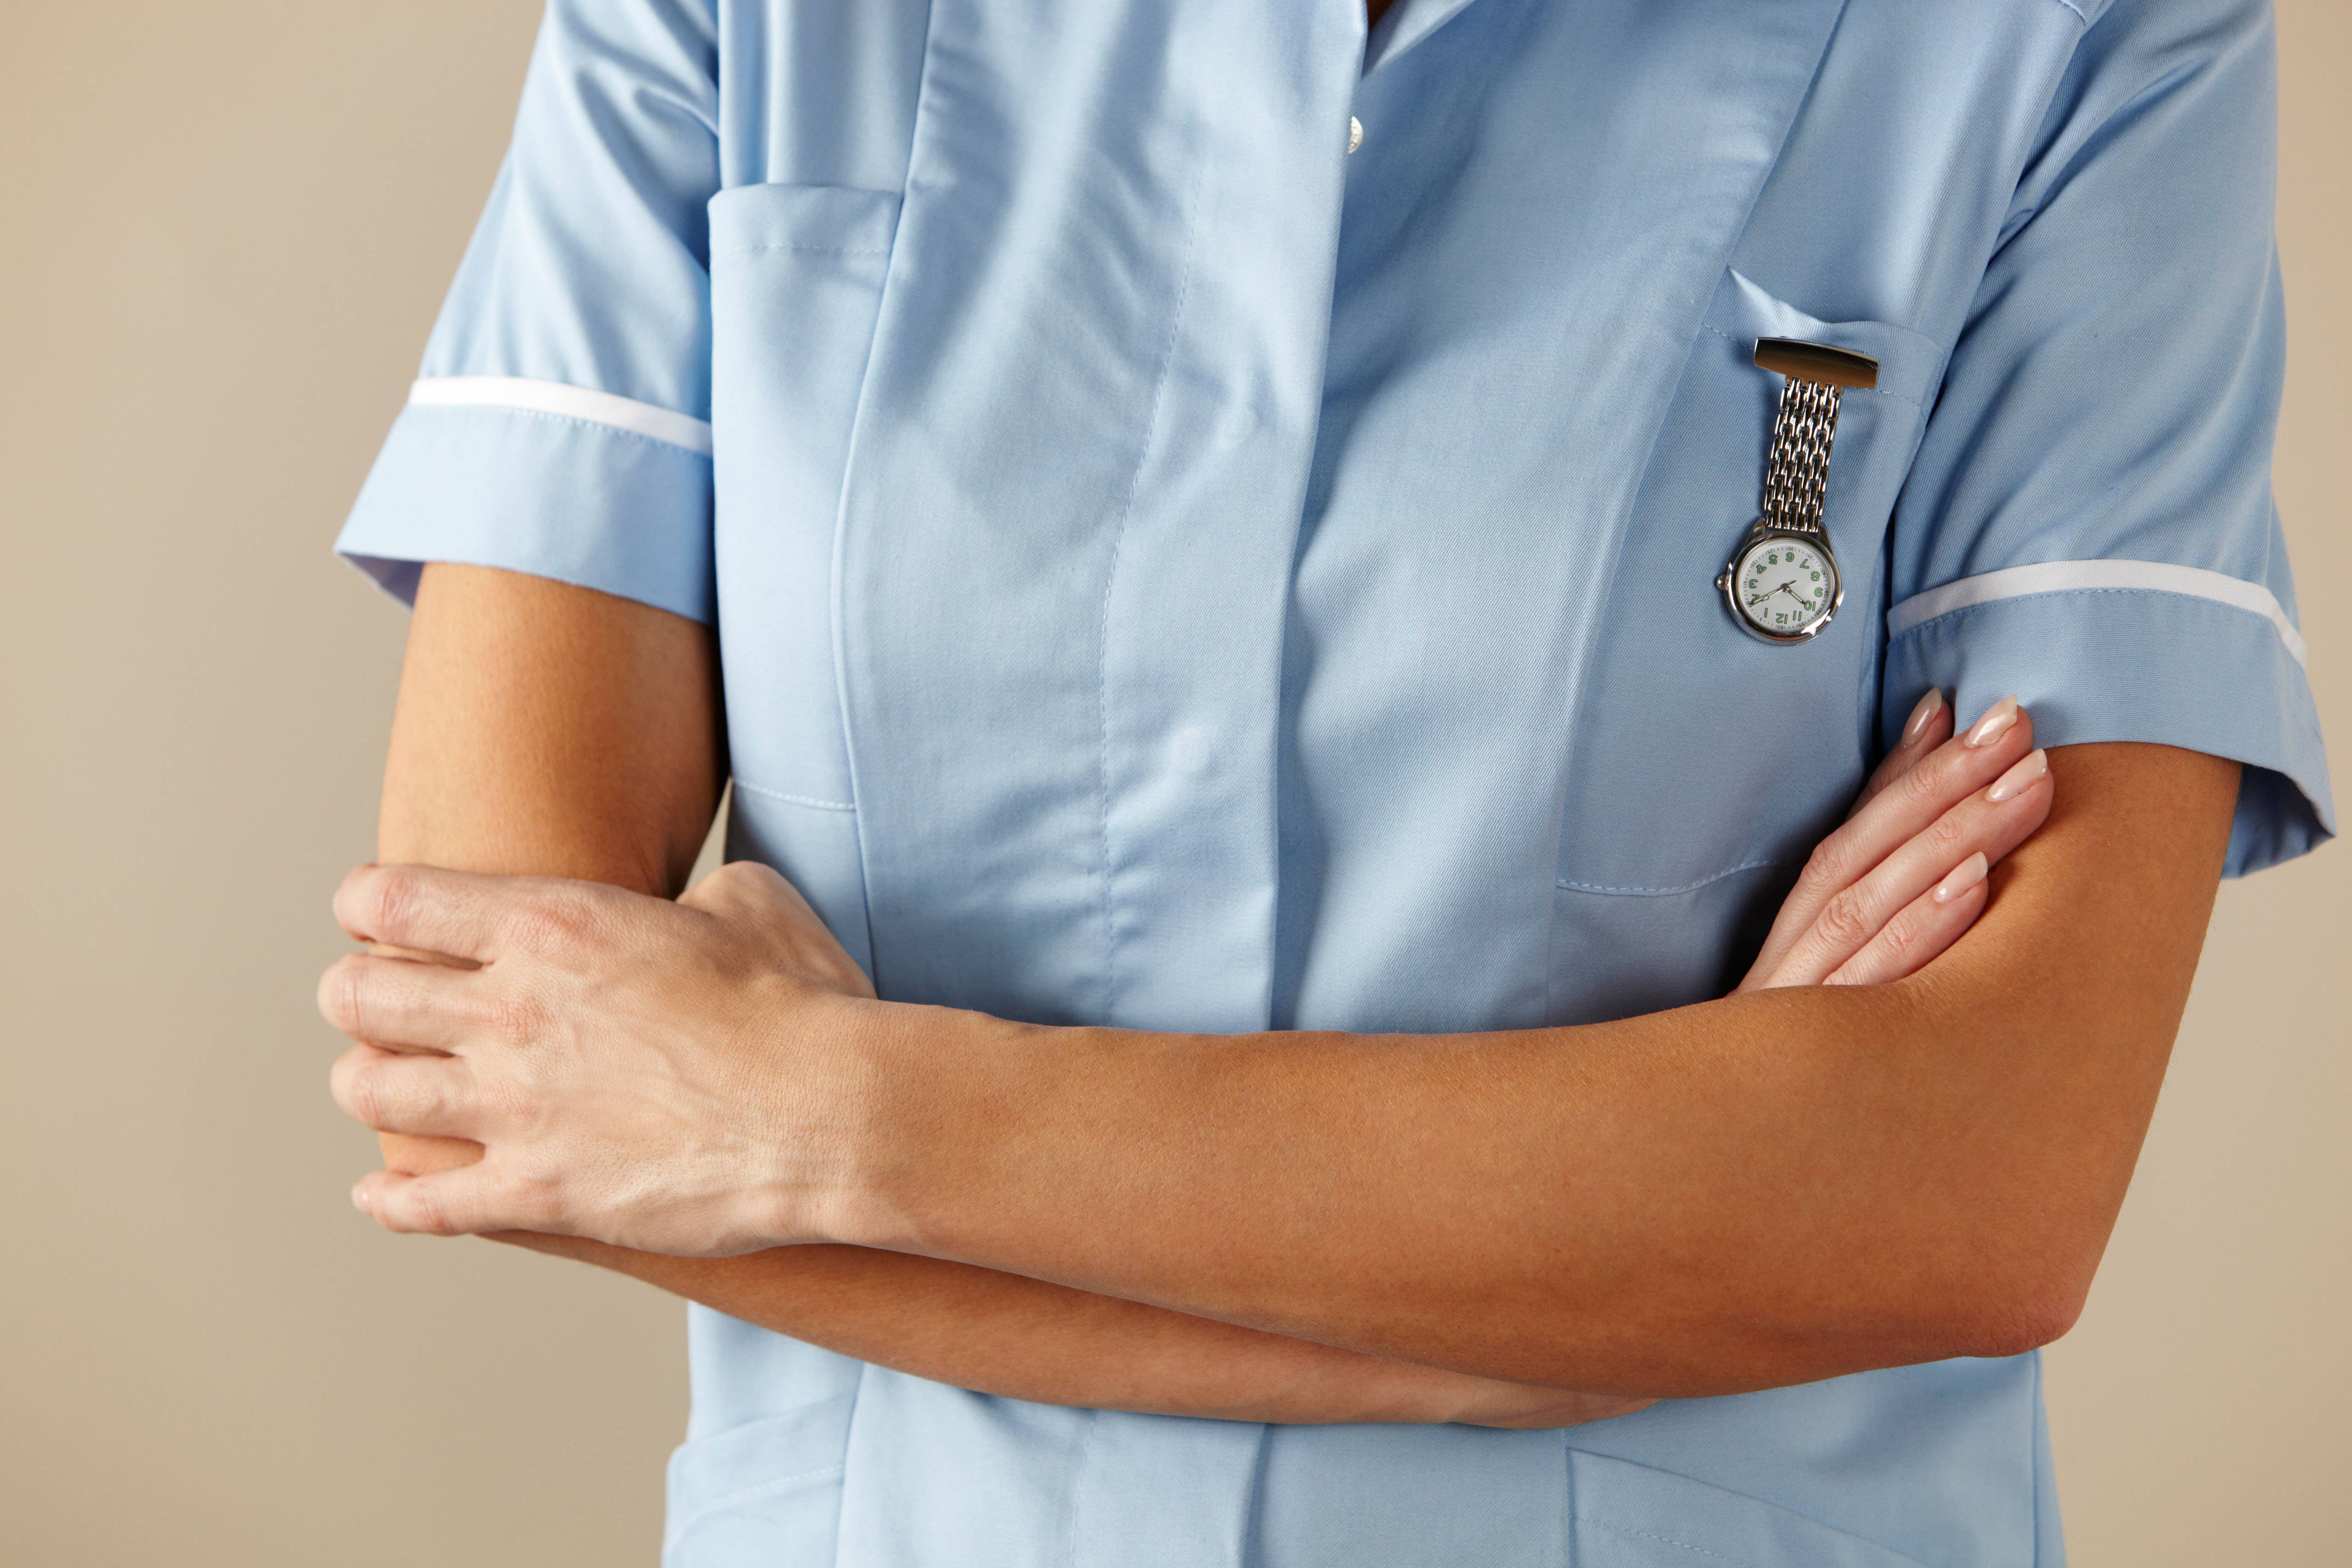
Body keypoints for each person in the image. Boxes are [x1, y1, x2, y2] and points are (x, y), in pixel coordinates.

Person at [320, 0, 2332, 1563]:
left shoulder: (2068, 33)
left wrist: (818, 1109)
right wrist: (1601, 1287)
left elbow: (1980, 1180)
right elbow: (493, 1055)